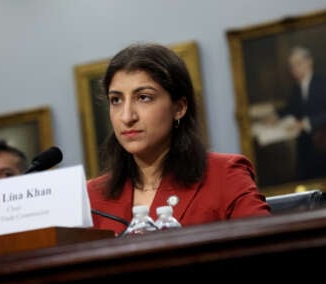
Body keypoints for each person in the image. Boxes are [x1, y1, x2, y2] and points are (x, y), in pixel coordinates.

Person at [87, 42, 271, 236]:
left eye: (143, 97)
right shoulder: (91, 198)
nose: (127, 117)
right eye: (116, 100)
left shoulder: (225, 176)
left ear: (179, 107)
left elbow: (267, 253)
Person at [276, 46, 326, 180]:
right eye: (292, 66)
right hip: (305, 143)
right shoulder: (297, 87)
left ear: (309, 62)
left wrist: (306, 123)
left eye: (298, 64)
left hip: (323, 142)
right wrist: (276, 115)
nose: (294, 69)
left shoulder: (323, 83)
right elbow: (291, 108)